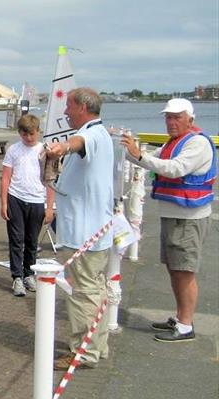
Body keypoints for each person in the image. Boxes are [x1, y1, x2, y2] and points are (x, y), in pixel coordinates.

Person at [121, 98, 215, 343]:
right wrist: (128, 149)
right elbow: (149, 159)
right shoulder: (175, 142)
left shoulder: (197, 144)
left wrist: (139, 155)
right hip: (174, 215)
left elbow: (174, 169)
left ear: (190, 119)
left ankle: (186, 325)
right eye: (168, 117)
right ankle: (181, 316)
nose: (171, 122)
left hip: (188, 218)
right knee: (175, 269)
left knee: (184, 271)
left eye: (177, 117)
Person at [45, 88, 114, 370]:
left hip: (86, 233)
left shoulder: (93, 134)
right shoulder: (100, 133)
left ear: (83, 107)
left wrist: (61, 148)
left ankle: (83, 352)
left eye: (69, 106)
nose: (65, 112)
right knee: (95, 290)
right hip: (91, 230)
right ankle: (96, 346)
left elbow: (77, 142)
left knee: (83, 293)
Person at [0, 114, 55, 297]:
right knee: (16, 240)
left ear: (38, 132)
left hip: (37, 200)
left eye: (32, 134)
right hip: (16, 197)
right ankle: (17, 276)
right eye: (25, 135)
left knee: (32, 241)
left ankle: (29, 273)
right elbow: (6, 177)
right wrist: (4, 202)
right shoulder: (13, 150)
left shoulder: (46, 151)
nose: (29, 138)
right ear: (20, 134)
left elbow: (50, 180)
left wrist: (49, 207)